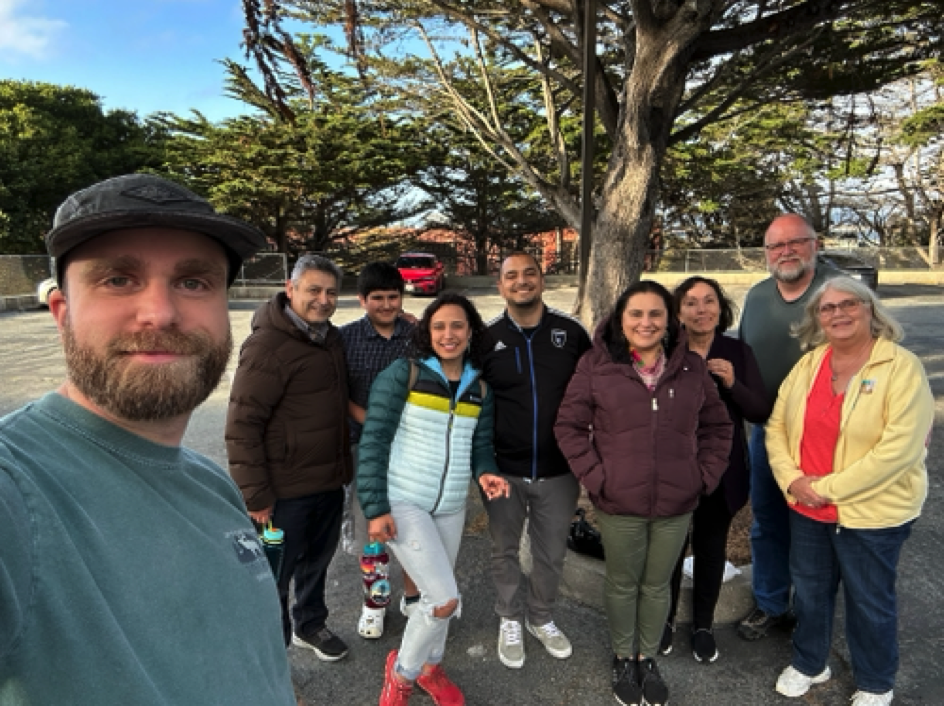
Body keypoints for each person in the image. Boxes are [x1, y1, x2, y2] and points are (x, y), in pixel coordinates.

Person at [0, 173, 295, 704]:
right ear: (62, 315)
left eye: (192, 281)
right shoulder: (15, 488)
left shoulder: (211, 483)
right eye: (118, 279)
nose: (160, 312)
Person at [555, 280, 733, 706]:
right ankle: (622, 655)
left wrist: (702, 477)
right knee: (622, 583)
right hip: (619, 501)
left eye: (656, 314)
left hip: (677, 502)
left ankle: (645, 656)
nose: (646, 322)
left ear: (670, 321)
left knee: (656, 586)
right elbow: (569, 426)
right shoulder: (596, 365)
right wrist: (597, 479)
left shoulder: (689, 367)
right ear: (620, 319)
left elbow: (718, 427)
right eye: (636, 313)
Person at [766, 278, 933, 706]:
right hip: (807, 506)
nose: (838, 314)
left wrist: (826, 488)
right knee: (810, 592)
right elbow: (778, 426)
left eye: (849, 304)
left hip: (872, 512)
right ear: (817, 319)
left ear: (870, 310)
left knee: (870, 600)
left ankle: (876, 682)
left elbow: (898, 450)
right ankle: (809, 663)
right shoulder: (810, 365)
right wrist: (793, 481)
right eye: (827, 308)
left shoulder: (901, 367)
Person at [357, 292, 510, 706]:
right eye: (439, 326)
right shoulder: (402, 374)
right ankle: (401, 674)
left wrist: (487, 473)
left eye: (457, 325)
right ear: (428, 331)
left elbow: (480, 448)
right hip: (405, 502)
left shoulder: (479, 387)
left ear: (471, 332)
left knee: (437, 592)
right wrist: (376, 508)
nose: (448, 334)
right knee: (444, 599)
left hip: (451, 506)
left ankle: (431, 667)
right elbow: (373, 442)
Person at [226, 253, 352, 661]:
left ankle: (310, 624)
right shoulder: (267, 346)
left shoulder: (329, 338)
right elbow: (243, 423)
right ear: (290, 289)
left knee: (318, 562)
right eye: (314, 290)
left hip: (327, 483)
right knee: (274, 577)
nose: (323, 299)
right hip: (283, 493)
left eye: (331, 292)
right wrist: (255, 495)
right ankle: (273, 656)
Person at [481, 252, 591, 669]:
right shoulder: (487, 339)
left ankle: (540, 618)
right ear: (501, 285)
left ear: (542, 279)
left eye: (530, 273)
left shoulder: (571, 333)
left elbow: (596, 391)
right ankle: (509, 617)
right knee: (503, 549)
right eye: (512, 275)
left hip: (559, 470)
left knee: (550, 553)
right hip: (503, 469)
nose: (522, 281)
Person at [737, 213, 837, 641]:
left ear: (816, 244)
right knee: (769, 521)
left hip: (825, 439)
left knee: (817, 528)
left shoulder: (839, 294)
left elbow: (881, 359)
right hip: (767, 432)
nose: (786, 252)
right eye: (776, 246)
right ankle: (771, 602)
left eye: (796, 242)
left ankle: (813, 618)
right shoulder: (757, 297)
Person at [662, 276, 770, 662]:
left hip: (722, 472)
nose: (701, 309)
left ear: (720, 309)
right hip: (673, 468)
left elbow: (759, 411)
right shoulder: (666, 350)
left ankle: (703, 626)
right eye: (691, 303)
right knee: (670, 548)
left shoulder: (736, 351)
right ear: (678, 312)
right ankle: (666, 621)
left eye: (709, 301)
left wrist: (733, 383)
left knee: (710, 548)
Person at [339, 261, 420, 638]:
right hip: (366, 445)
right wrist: (373, 424)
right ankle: (375, 602)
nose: (386, 305)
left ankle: (415, 596)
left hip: (413, 444)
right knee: (373, 526)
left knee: (414, 523)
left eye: (393, 297)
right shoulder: (346, 338)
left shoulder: (417, 335)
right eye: (377, 298)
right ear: (362, 300)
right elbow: (340, 394)